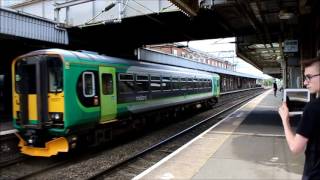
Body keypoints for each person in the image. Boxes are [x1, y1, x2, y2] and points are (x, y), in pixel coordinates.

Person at [278, 57, 320, 180]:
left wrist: (285, 121)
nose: (305, 82)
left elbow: (295, 148)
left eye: (309, 77)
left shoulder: (312, 108)